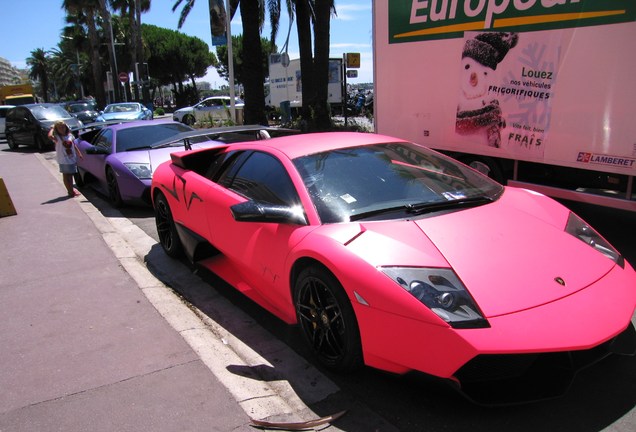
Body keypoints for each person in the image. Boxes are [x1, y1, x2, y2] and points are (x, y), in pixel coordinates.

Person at [48, 121, 83, 197]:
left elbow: (73, 145)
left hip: (71, 158)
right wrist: (52, 128)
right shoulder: (57, 138)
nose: (62, 129)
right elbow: (50, 136)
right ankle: (70, 191)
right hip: (63, 159)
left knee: (70, 175)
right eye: (59, 128)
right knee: (66, 175)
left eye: (63, 127)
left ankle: (71, 190)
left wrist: (79, 153)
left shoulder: (70, 135)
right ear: (57, 129)